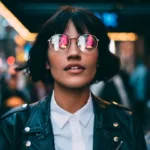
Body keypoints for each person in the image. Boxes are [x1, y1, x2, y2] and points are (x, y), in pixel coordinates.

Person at [0, 6, 147, 150]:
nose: (74, 53)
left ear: (99, 58)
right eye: (60, 42)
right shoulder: (14, 125)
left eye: (87, 42)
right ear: (46, 60)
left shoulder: (126, 122)